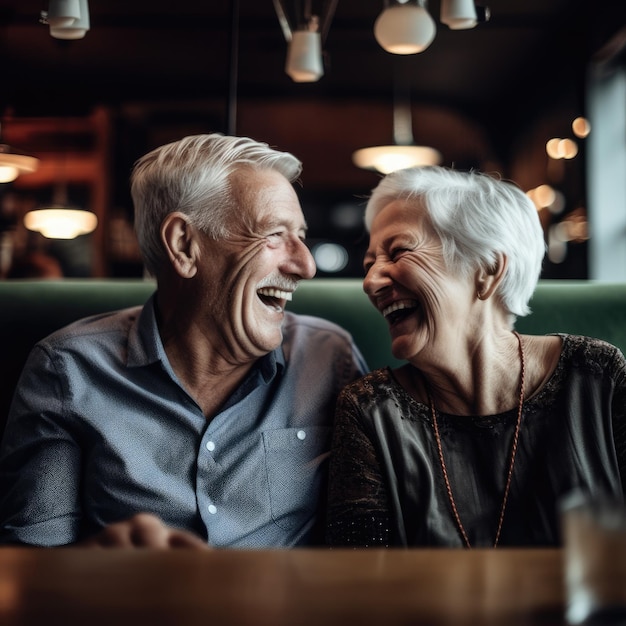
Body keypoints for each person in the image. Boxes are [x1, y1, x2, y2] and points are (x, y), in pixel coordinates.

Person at [0, 133, 367, 549]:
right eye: (274, 234)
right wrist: (99, 564)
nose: (306, 264)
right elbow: (34, 561)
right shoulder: (67, 370)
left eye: (300, 235)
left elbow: (372, 541)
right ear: (184, 245)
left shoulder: (328, 357)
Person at [326, 165, 626, 548]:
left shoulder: (597, 378)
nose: (370, 282)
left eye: (399, 251)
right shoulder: (370, 411)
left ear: (486, 269)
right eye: (369, 265)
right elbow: (359, 579)